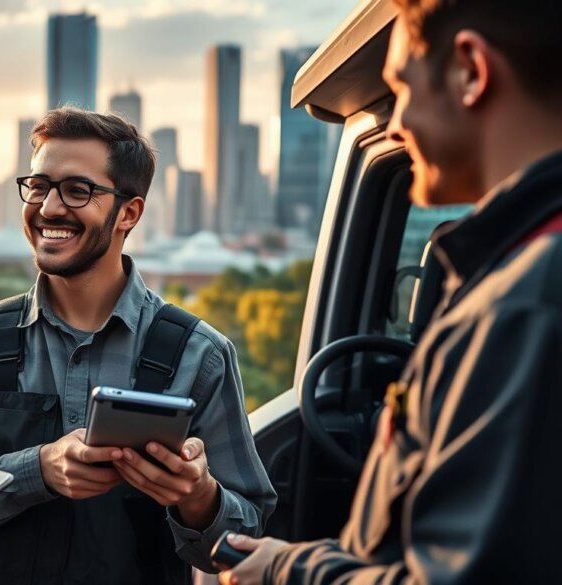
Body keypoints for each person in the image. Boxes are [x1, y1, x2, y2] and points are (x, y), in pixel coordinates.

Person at [219, 1, 562, 583]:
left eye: (401, 89)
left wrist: (286, 570)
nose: (398, 122)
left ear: (470, 71)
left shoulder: (527, 302)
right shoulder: (517, 274)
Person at [0, 108, 276, 584]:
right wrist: (36, 470)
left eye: (77, 190)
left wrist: (198, 495)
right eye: (38, 186)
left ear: (129, 212)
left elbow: (248, 534)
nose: (49, 208)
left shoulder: (198, 355)